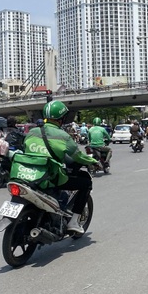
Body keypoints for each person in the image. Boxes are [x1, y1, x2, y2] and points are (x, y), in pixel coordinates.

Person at [22, 100, 97, 234]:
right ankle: (74, 222)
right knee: (86, 182)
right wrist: (92, 161)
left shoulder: (32, 132)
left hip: (27, 174)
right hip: (50, 176)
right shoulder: (63, 136)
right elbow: (77, 156)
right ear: (61, 118)